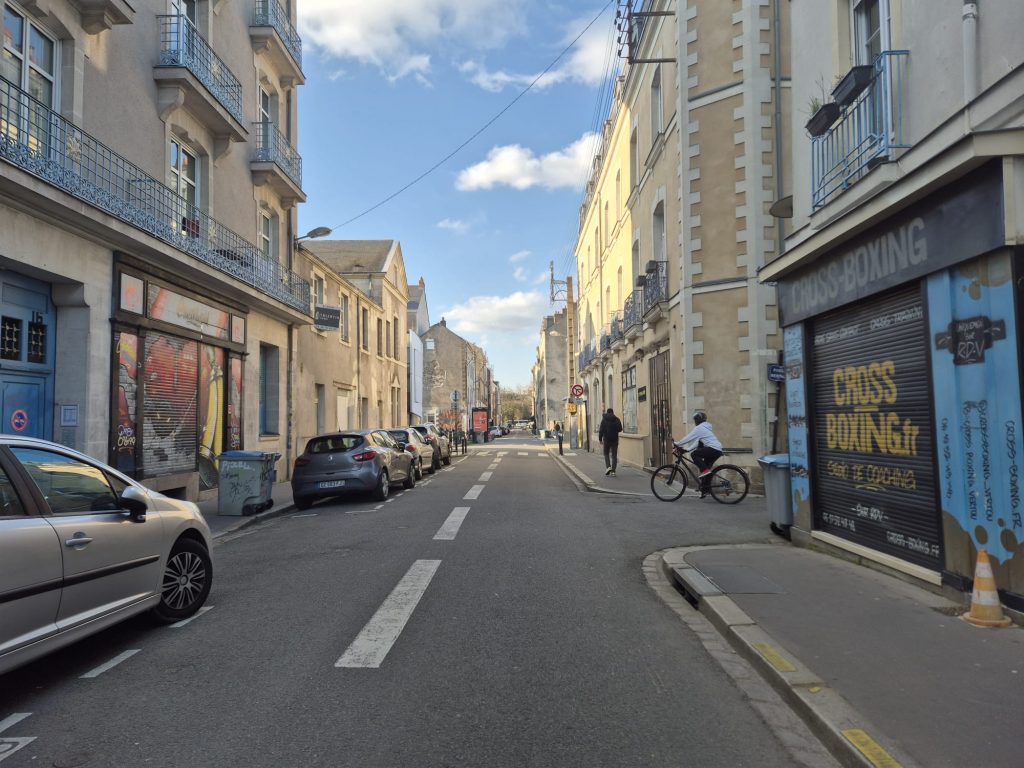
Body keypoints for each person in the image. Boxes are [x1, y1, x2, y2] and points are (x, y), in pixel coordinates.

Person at [673, 411, 723, 497]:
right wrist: (687, 449)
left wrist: (678, 443)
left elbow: (689, 437)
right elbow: (698, 441)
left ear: (697, 420)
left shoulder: (699, 428)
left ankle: (705, 471)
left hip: (712, 449)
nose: (695, 421)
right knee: (706, 470)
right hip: (717, 450)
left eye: (695, 420)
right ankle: (705, 490)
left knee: (694, 455)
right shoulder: (705, 428)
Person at [598, 407, 623, 476]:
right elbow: (620, 429)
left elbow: (601, 430)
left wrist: (600, 439)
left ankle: (608, 467)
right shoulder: (617, 419)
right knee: (614, 456)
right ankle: (613, 471)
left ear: (607, 412)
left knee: (606, 454)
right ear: (612, 412)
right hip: (615, 440)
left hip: (606, 440)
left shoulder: (604, 420)